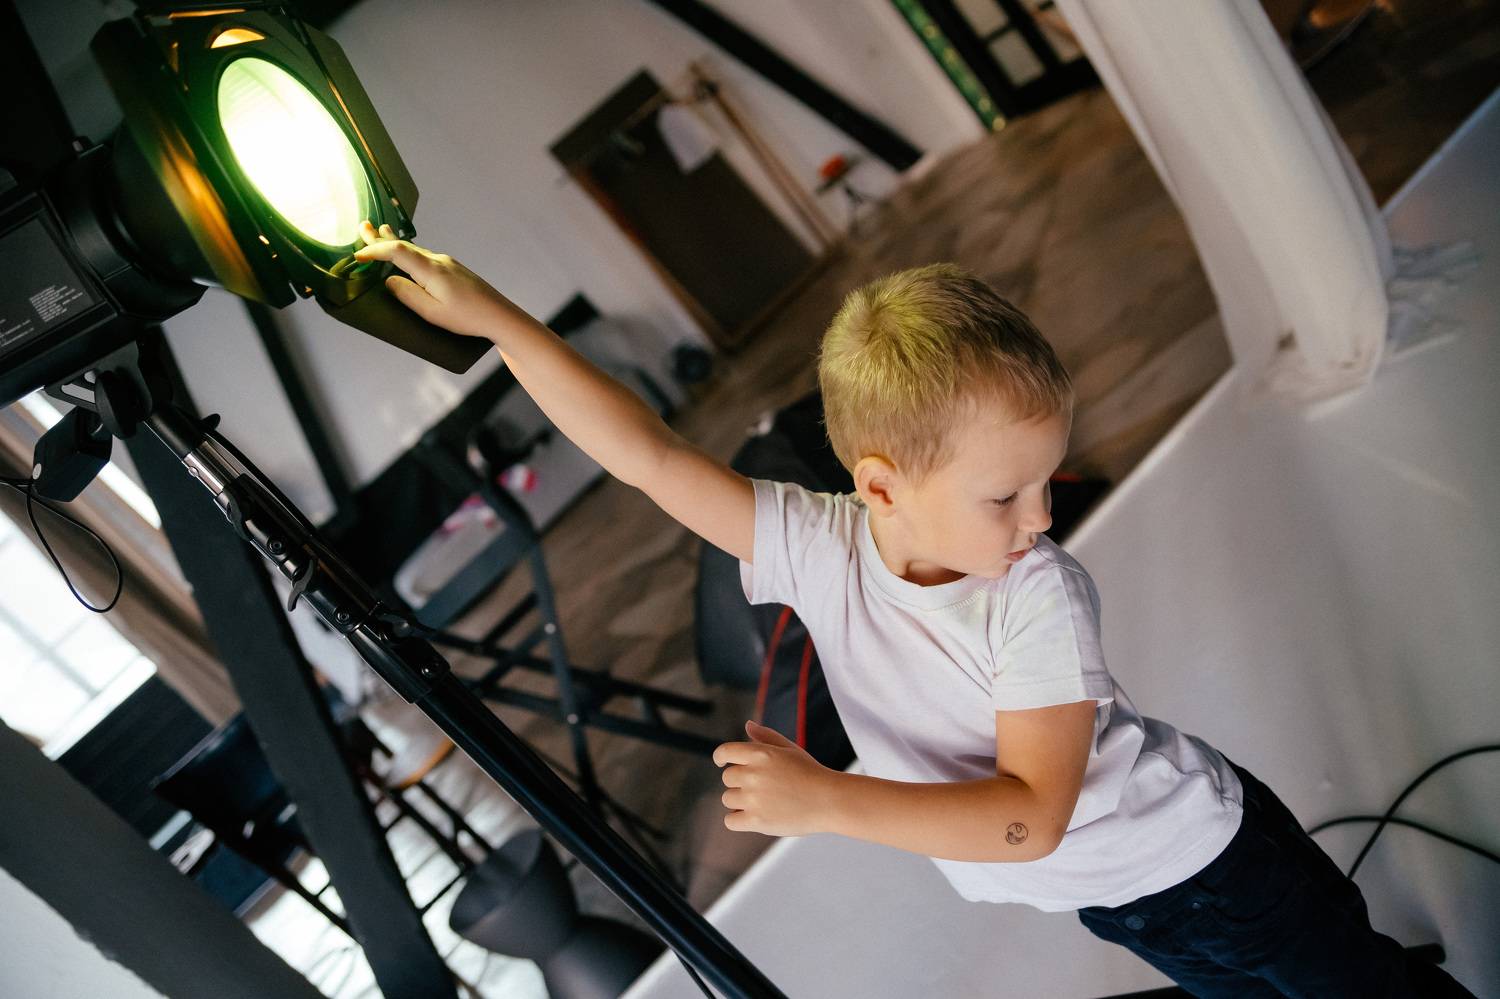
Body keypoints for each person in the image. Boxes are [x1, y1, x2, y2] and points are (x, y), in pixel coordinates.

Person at [352, 222, 1473, 998]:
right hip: (1114, 898)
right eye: (1005, 495)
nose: (1042, 517)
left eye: (1045, 481)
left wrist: (830, 800)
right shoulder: (820, 543)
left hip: (1205, 863)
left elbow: (1030, 816)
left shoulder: (1034, 595)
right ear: (881, 487)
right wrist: (500, 323)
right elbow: (648, 456)